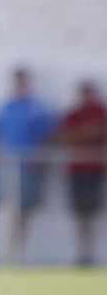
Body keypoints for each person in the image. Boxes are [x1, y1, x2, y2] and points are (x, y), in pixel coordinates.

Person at [0, 67, 54, 260]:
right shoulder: (5, 107)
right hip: (6, 166)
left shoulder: (37, 107)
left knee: (25, 210)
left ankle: (19, 253)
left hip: (28, 167)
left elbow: (47, 135)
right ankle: (6, 252)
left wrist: (39, 157)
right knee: (6, 208)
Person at [59, 80, 106, 267]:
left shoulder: (100, 112)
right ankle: (82, 254)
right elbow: (65, 136)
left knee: (93, 213)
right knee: (79, 214)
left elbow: (100, 132)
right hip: (77, 172)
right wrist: (88, 133)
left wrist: (83, 134)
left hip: (95, 172)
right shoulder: (73, 114)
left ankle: (92, 253)